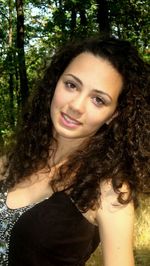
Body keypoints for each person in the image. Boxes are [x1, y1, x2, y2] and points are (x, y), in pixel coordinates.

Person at [0, 36, 149, 266]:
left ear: (114, 114)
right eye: (71, 85)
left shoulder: (109, 191)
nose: (76, 106)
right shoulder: (9, 162)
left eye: (98, 100)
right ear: (55, 82)